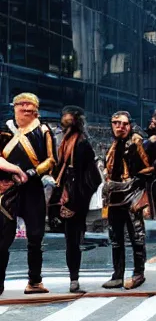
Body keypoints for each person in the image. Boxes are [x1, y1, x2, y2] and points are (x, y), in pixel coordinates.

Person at [0, 93, 56, 295]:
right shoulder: (5, 130)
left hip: (33, 189)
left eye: (29, 107)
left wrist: (33, 172)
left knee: (35, 236)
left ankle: (34, 281)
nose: (25, 110)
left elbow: (51, 160)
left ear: (35, 110)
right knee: (2, 238)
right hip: (7, 189)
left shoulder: (43, 130)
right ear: (15, 108)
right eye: (21, 106)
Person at [102, 111, 154, 290]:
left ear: (130, 125)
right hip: (115, 197)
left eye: (123, 123)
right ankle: (117, 274)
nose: (119, 127)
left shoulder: (137, 142)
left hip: (132, 195)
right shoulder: (112, 144)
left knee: (136, 235)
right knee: (115, 237)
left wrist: (137, 183)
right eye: (115, 123)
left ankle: (138, 272)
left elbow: (149, 167)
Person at [53, 106, 101, 293]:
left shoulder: (82, 144)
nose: (65, 118)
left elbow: (92, 179)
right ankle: (73, 277)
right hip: (65, 196)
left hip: (75, 199)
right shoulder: (64, 141)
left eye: (68, 115)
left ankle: (74, 278)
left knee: (73, 241)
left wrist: (77, 201)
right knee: (69, 241)